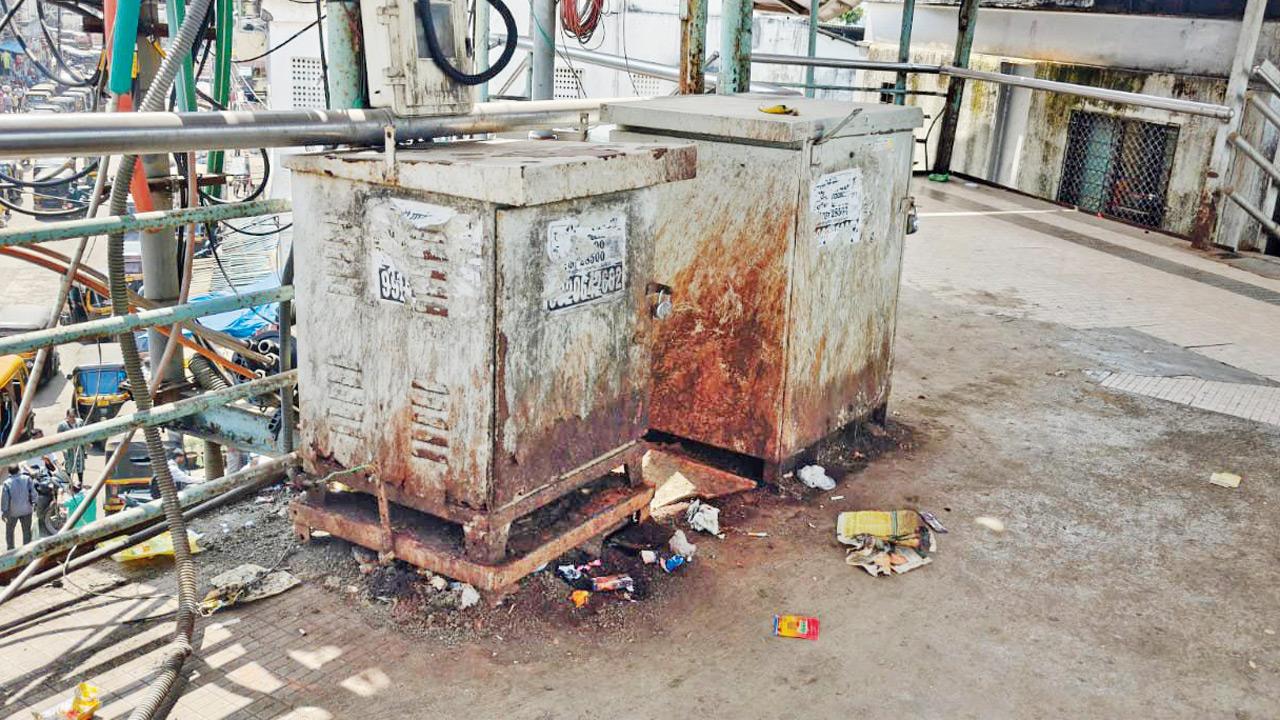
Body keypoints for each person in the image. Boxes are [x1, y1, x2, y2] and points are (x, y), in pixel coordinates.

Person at [2, 464, 36, 550]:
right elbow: (33, 493)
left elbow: (5, 500)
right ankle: (27, 550)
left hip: (13, 512)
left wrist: (4, 512)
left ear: (9, 472)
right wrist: (34, 503)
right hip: (27, 510)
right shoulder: (27, 479)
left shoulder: (6, 483)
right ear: (19, 470)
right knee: (26, 532)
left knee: (9, 532)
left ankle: (11, 550)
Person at [56, 410, 86, 486]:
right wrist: (63, 449)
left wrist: (86, 444)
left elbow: (84, 434)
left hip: (79, 449)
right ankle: (69, 483)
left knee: (80, 467)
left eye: (73, 417)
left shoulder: (80, 422)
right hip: (68, 450)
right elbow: (59, 438)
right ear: (67, 416)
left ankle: (80, 483)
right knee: (69, 467)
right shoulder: (62, 425)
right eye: (70, 417)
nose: (72, 419)